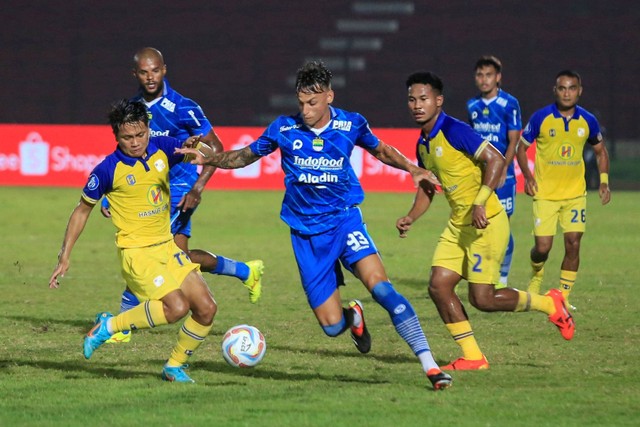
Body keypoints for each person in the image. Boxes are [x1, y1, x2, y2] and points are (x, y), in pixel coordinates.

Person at [177, 60, 453, 390]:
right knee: (331, 326)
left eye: (313, 102)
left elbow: (380, 149)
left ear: (329, 97)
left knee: (383, 289)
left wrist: (413, 168)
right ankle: (353, 318)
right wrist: (211, 158)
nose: (306, 110)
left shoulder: (351, 124)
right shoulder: (284, 129)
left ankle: (430, 366)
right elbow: (245, 156)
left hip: (344, 222)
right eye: (302, 103)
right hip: (307, 236)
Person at [396, 71, 575, 371]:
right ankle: (474, 357)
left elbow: (494, 159)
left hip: (486, 221)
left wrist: (479, 202)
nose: (417, 104)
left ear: (438, 101)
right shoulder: (423, 143)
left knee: (483, 298)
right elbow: (429, 186)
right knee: (439, 286)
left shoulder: (454, 130)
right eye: (412, 99)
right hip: (458, 225)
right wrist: (411, 216)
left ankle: (550, 304)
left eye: (424, 98)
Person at [49, 99, 218, 383]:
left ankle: (174, 367)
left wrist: (197, 146)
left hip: (166, 246)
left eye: (141, 134)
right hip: (137, 253)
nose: (136, 142)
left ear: (148, 129)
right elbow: (81, 211)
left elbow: (206, 155)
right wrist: (64, 255)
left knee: (206, 308)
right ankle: (109, 326)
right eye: (127, 137)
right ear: (116, 136)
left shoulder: (163, 148)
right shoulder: (107, 169)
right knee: (176, 308)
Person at [102, 47, 263, 343]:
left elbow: (215, 148)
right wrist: (111, 194)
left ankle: (121, 326)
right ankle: (244, 271)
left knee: (150, 250)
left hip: (178, 192)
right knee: (180, 258)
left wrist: (197, 188)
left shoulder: (183, 107)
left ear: (165, 69)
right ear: (135, 74)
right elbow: (124, 156)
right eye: (143, 72)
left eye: (155, 70)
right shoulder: (134, 108)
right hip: (149, 192)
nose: (150, 77)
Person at [516, 70, 611, 309]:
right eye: (562, 88)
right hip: (545, 195)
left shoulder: (588, 120)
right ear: (555, 91)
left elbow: (601, 151)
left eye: (571, 88)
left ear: (579, 91)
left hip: (575, 195)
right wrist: (527, 177)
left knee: (573, 242)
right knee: (542, 248)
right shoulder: (541, 118)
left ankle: (563, 297)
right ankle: (536, 274)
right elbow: (520, 148)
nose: (566, 93)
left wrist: (604, 181)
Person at [467, 55, 522, 288]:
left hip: (503, 178)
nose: (484, 79)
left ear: (498, 77)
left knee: (503, 227)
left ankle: (502, 277)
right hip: (480, 177)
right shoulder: (472, 105)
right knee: (480, 225)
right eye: (480, 75)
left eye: (489, 74)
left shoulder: (510, 104)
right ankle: (483, 273)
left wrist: (502, 171)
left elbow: (513, 141)